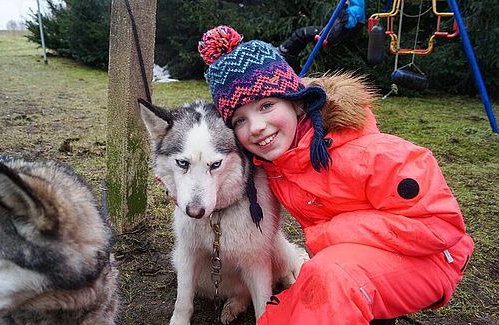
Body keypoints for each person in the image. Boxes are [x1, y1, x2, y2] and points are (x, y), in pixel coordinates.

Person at [198, 25, 473, 324]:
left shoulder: (372, 154)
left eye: (266, 105)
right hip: (354, 261)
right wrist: (182, 181)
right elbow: (222, 171)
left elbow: (441, 224)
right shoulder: (276, 163)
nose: (257, 127)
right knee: (285, 312)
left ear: (297, 102)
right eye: (240, 119)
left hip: (431, 259)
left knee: (329, 279)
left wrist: (328, 234)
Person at [278, 0, 366, 67]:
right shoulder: (357, 9)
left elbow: (348, 24)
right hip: (334, 34)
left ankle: (283, 52)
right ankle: (290, 55)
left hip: (331, 35)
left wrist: (343, 7)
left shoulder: (356, 10)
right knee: (305, 36)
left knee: (302, 33)